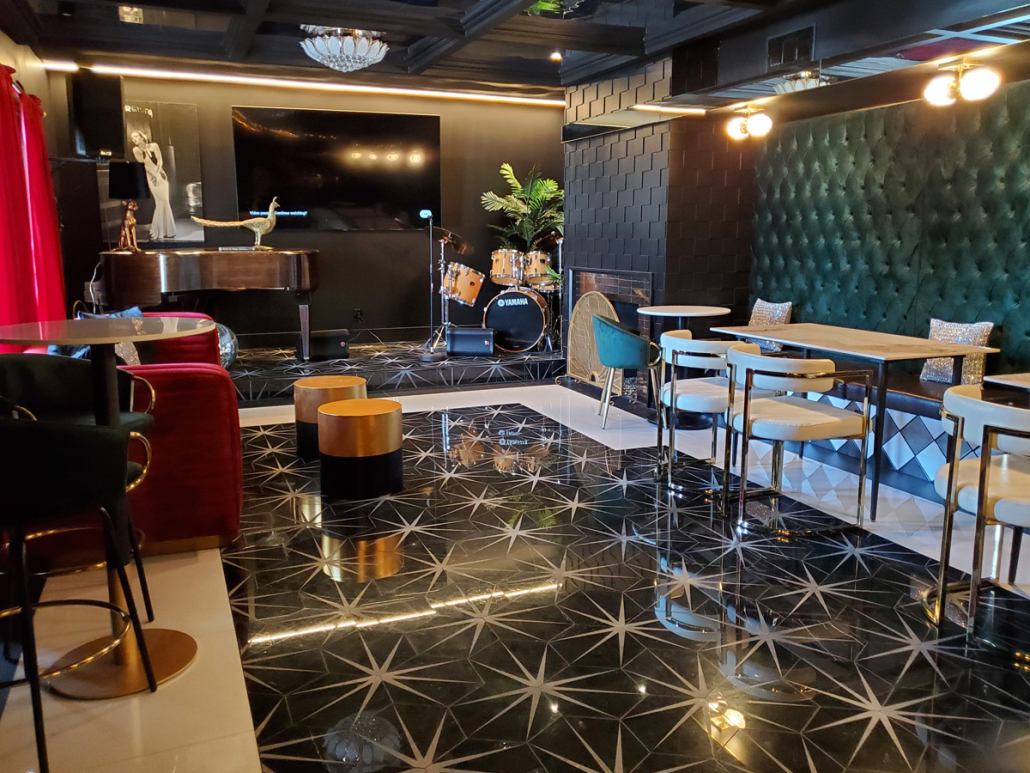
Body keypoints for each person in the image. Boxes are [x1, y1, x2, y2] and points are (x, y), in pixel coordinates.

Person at [130, 130, 176, 240]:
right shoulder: (136, 150)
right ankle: (158, 230)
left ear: (142, 136)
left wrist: (158, 172)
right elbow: (143, 166)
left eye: (136, 137)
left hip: (161, 175)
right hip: (150, 177)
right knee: (160, 202)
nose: (134, 139)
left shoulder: (154, 146)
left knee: (165, 202)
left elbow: (160, 160)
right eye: (133, 138)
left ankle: (167, 231)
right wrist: (154, 175)